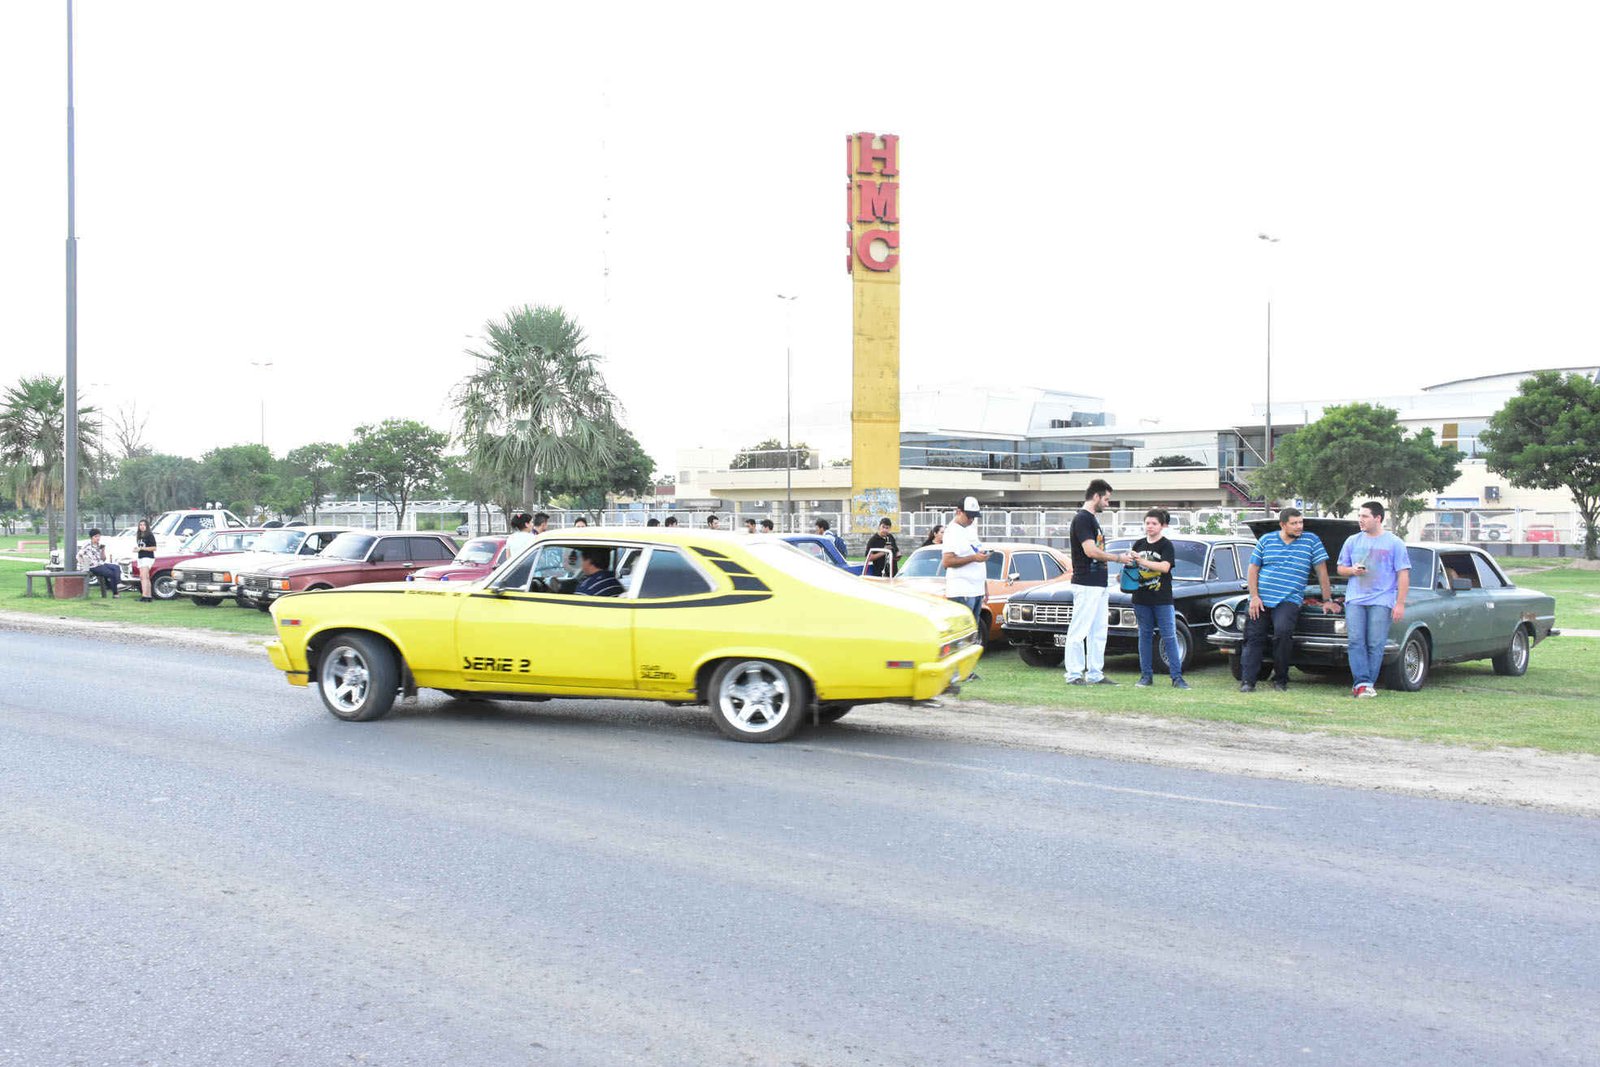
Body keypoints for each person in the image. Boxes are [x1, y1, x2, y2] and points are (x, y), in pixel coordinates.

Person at [1241, 506, 1340, 693]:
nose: (1299, 526)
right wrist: (1254, 597)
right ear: (1283, 524)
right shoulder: (1266, 540)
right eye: (1294, 523)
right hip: (1261, 598)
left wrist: (1327, 599)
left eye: (1300, 522)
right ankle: (1248, 681)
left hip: (1289, 599)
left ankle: (1280, 679)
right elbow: (1253, 570)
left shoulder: (1311, 541)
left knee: (1283, 633)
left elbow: (1322, 572)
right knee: (1253, 637)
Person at [1063, 479, 1135, 686]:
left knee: (1098, 631)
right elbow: (1091, 551)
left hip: (1099, 584)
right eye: (1106, 499)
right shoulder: (1082, 519)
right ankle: (1074, 674)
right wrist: (1119, 558)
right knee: (1079, 630)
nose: (1107, 503)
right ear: (1096, 496)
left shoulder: (1092, 520)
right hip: (1086, 583)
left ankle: (1095, 673)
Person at [1337, 500, 1410, 698]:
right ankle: (1362, 683)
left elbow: (1403, 574)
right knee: (1355, 641)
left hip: (1382, 599)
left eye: (1365, 516)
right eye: (1359, 516)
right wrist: (1352, 570)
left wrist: (1400, 603)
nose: (1360, 520)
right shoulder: (1352, 541)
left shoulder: (1394, 543)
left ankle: (1367, 683)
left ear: (1378, 518)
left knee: (1375, 643)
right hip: (1355, 599)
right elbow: (1340, 568)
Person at [1129, 508, 1189, 689]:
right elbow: (1132, 568)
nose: (1150, 526)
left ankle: (1177, 677)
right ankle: (1146, 676)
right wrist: (1126, 570)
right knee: (1144, 636)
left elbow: (1164, 567)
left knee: (1169, 636)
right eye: (1147, 523)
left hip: (1162, 598)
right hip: (1141, 598)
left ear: (1162, 526)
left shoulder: (1166, 545)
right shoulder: (1138, 544)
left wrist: (1142, 561)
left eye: (1154, 523)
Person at [941, 498, 990, 680]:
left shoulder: (970, 529)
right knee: (959, 634)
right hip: (961, 590)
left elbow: (977, 554)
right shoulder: (951, 532)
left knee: (971, 634)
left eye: (974, 516)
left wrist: (984, 586)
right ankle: (955, 672)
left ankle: (965, 670)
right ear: (958, 511)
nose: (971, 520)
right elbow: (947, 561)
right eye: (969, 516)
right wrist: (973, 558)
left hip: (975, 589)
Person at [77, 529, 122, 597]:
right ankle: (115, 593)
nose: (98, 538)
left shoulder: (99, 545)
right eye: (96, 536)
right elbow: (78, 556)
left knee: (116, 567)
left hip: (100, 563)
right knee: (111, 573)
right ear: (92, 537)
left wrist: (103, 550)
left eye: (99, 536)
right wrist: (84, 566)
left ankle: (117, 584)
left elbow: (103, 559)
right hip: (93, 566)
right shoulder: (87, 545)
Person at [133, 518, 157, 602]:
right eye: (140, 525)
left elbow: (154, 548)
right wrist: (137, 549)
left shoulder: (150, 535)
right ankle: (148, 596)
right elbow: (140, 547)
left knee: (144, 577)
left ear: (147, 526)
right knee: (144, 577)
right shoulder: (139, 536)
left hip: (147, 557)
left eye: (144, 525)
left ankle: (144, 596)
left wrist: (142, 548)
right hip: (141, 557)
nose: (142, 526)